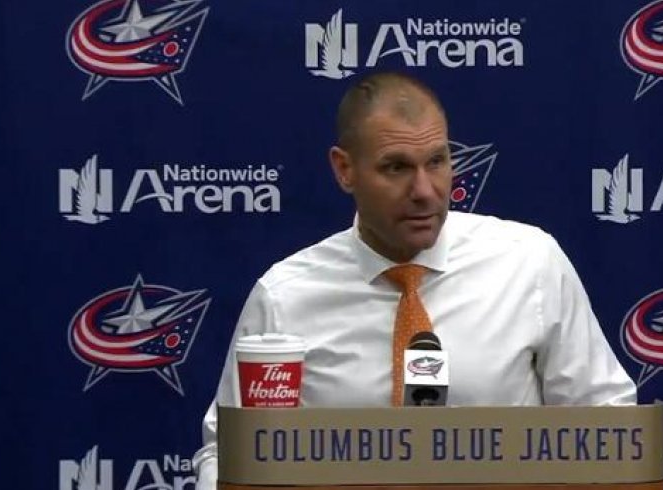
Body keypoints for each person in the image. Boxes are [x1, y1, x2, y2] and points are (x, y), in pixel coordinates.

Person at [192, 72, 636, 490]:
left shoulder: (529, 263)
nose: (425, 190)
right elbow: (229, 452)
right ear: (345, 169)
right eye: (396, 167)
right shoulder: (285, 298)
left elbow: (607, 420)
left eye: (437, 161)